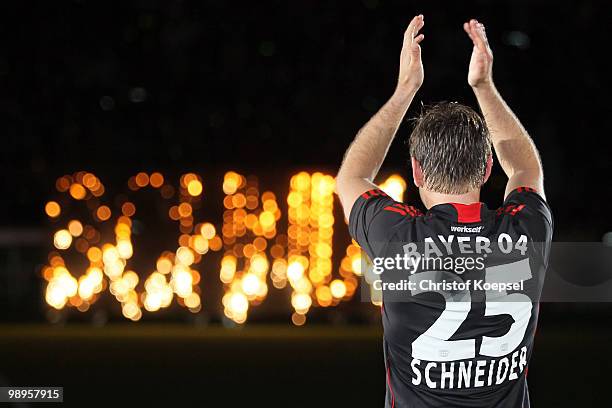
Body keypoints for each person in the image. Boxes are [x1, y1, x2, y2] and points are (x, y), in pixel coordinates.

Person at [336, 15, 553, 407]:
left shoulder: (397, 237)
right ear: (488, 168)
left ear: (416, 171)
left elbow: (352, 176)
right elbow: (525, 168)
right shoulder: (526, 231)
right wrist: (484, 87)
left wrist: (405, 89)